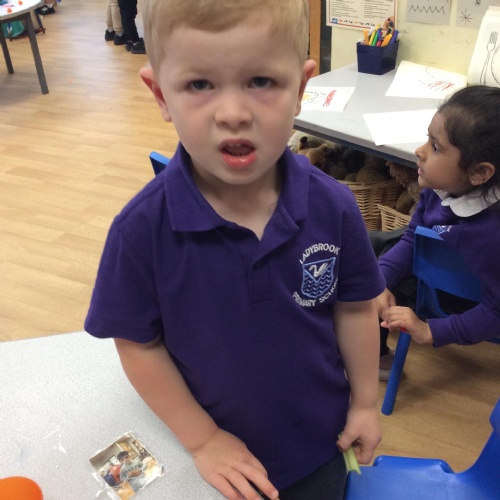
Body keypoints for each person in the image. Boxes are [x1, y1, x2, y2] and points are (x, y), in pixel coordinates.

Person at [85, 1, 385, 498]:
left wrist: (366, 404)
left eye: (261, 81)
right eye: (200, 84)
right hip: (209, 460)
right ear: (160, 95)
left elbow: (355, 308)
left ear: (301, 89)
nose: (233, 114)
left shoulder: (334, 206)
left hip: (321, 441)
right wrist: (203, 440)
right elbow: (138, 344)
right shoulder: (140, 231)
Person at [377, 85, 500, 354]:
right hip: (435, 283)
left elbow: (497, 312)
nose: (419, 151)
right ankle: (376, 354)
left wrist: (432, 331)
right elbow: (412, 239)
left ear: (479, 172)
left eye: (435, 147)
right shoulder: (437, 190)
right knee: (368, 254)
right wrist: (379, 280)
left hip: (461, 305)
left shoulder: (491, 236)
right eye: (427, 139)